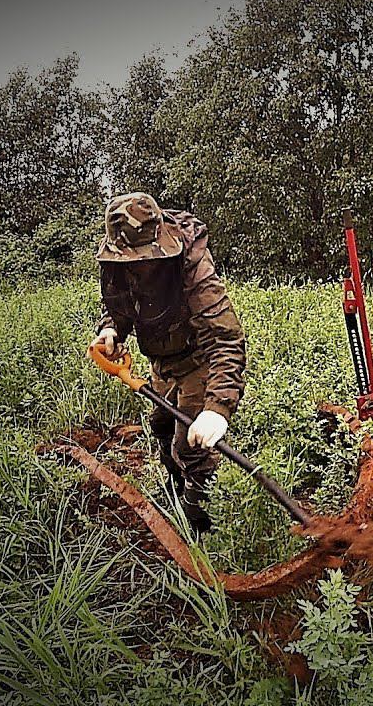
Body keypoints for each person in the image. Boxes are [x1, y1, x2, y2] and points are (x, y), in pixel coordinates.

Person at [90, 192, 246, 536]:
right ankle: (177, 492)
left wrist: (216, 409)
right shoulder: (116, 257)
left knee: (191, 446)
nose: (137, 266)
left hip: (197, 359)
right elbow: (117, 304)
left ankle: (203, 525)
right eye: (129, 261)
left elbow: (226, 339)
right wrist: (111, 328)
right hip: (160, 361)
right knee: (162, 427)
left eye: (143, 259)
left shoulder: (190, 262)